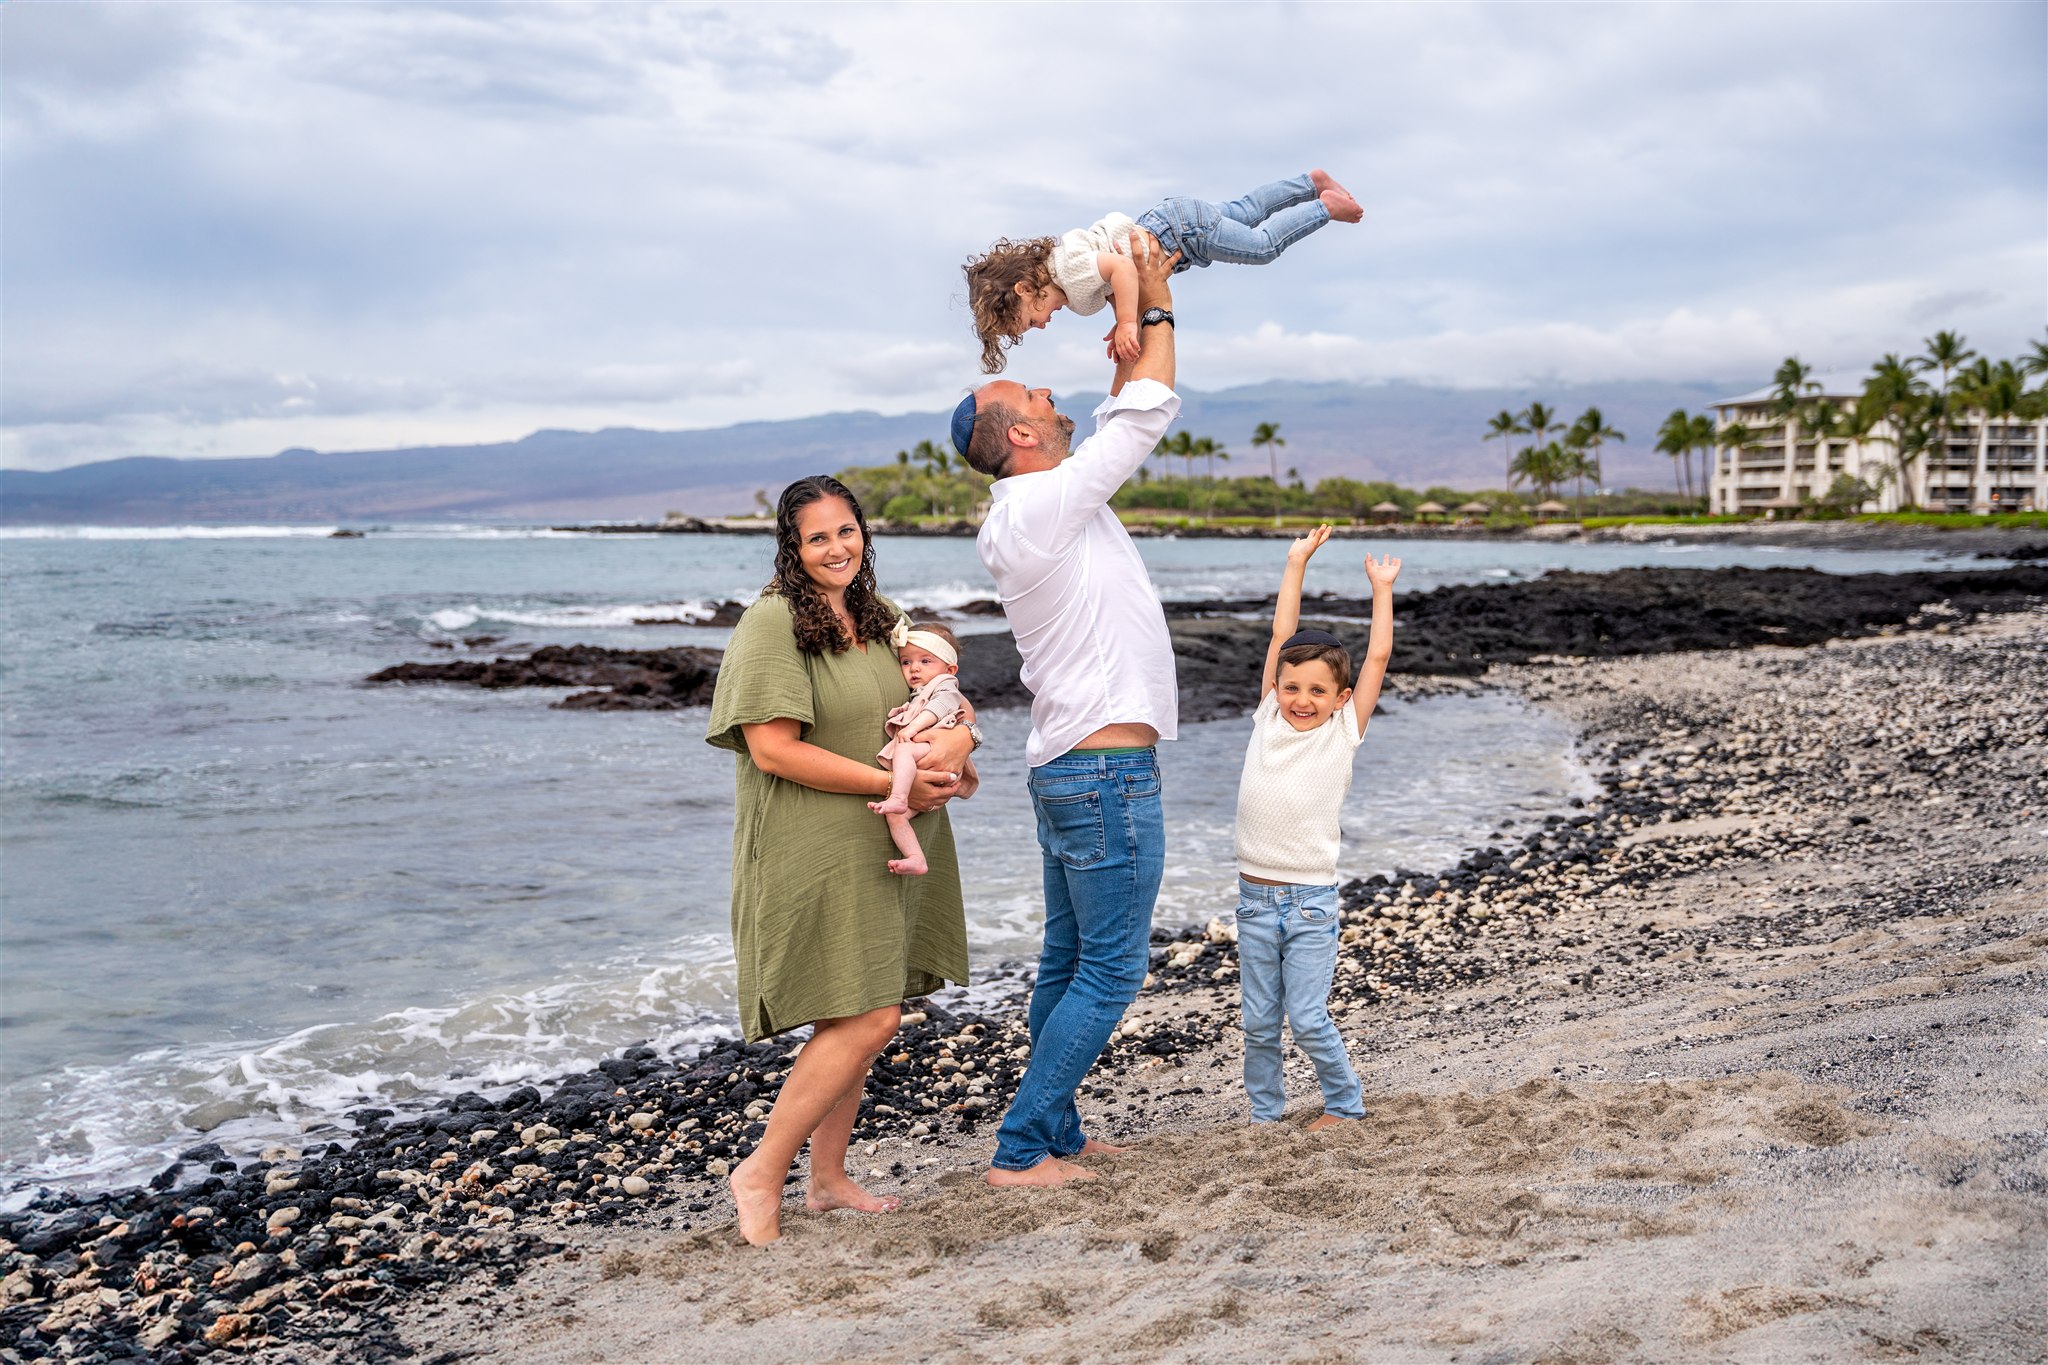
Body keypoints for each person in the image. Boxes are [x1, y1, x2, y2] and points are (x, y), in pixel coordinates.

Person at [953, 230, 1181, 1188]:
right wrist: (1156, 302)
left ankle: (1059, 1134)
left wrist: (1137, 312)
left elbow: (1123, 409)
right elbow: (1142, 419)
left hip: (1069, 766)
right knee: (1110, 971)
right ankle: (1020, 1147)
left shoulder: (1031, 508)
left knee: (1065, 962)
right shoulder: (1041, 504)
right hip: (1102, 771)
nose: (1050, 396)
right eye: (1035, 398)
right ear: (1018, 436)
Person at [704, 475, 981, 1244]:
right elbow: (772, 749)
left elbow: (951, 697)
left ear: (865, 533)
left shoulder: (883, 616)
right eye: (818, 537)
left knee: (854, 1006)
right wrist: (892, 784)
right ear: (792, 547)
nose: (837, 548)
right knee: (870, 1015)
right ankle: (760, 1171)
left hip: (888, 837)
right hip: (813, 841)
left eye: (847, 531)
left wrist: (955, 754)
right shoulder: (771, 623)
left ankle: (826, 1179)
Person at [1232, 525, 1400, 1129]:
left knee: (1305, 1018)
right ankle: (1265, 1116)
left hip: (1309, 903)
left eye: (1317, 691)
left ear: (1340, 697)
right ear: (1276, 687)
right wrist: (1295, 561)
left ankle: (1345, 1104)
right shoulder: (1268, 718)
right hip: (1253, 900)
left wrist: (1380, 590)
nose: (1301, 699)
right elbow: (1283, 634)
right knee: (1257, 1020)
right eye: (1291, 686)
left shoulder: (1343, 733)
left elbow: (1378, 655)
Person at [963, 169, 1362, 373]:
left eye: (1030, 322)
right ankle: (1309, 183)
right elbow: (1118, 278)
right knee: (1245, 211)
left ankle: (1324, 207)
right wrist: (1125, 317)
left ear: (1024, 290)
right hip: (1172, 220)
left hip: (1178, 234)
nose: (1042, 326)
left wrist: (1126, 324)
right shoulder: (1068, 275)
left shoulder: (1068, 272)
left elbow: (1121, 266)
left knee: (1262, 248)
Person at [869, 618, 976, 876]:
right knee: (896, 817)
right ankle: (915, 857)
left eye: (925, 661)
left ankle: (898, 795)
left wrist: (912, 729)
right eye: (906, 662)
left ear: (950, 669)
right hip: (927, 760)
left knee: (904, 749)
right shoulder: (922, 690)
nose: (914, 668)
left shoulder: (945, 687)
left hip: (932, 749)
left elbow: (936, 709)